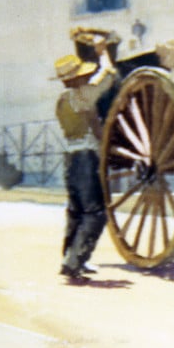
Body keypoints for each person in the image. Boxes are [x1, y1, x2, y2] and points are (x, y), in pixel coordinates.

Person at [53, 36, 117, 280]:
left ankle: (69, 258)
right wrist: (102, 52)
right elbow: (108, 75)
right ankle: (75, 263)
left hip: (70, 160)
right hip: (86, 159)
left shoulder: (62, 101)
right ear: (77, 78)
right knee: (95, 213)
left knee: (76, 212)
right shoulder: (82, 96)